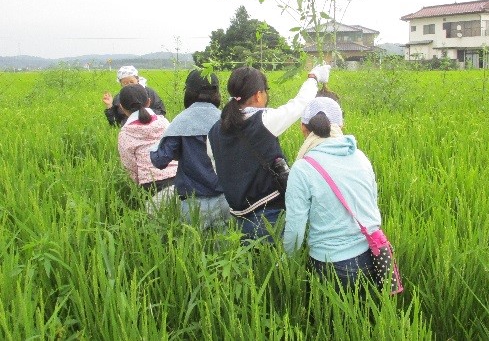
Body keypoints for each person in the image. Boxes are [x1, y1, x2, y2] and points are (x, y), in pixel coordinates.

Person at [207, 64, 331, 242]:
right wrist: (313, 78)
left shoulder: (213, 131)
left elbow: (217, 167)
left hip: (238, 219)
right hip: (271, 216)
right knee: (279, 266)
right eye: (265, 91)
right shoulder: (264, 120)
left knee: (252, 267)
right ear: (258, 94)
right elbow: (299, 104)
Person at [283, 97, 381, 289]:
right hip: (371, 255)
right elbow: (371, 201)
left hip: (331, 265)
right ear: (341, 125)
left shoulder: (303, 168)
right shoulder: (360, 156)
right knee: (366, 317)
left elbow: (295, 227)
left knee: (330, 319)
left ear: (303, 128)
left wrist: (288, 263)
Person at [150, 69, 230, 229]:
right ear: (216, 92)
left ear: (189, 92)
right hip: (226, 199)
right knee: (224, 248)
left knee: (195, 248)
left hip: (192, 201)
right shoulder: (226, 120)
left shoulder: (181, 121)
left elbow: (160, 160)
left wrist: (153, 145)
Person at [117, 84, 178, 212]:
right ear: (149, 101)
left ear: (122, 108)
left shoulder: (126, 132)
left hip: (151, 186)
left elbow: (130, 166)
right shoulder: (164, 122)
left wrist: (136, 186)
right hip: (180, 179)